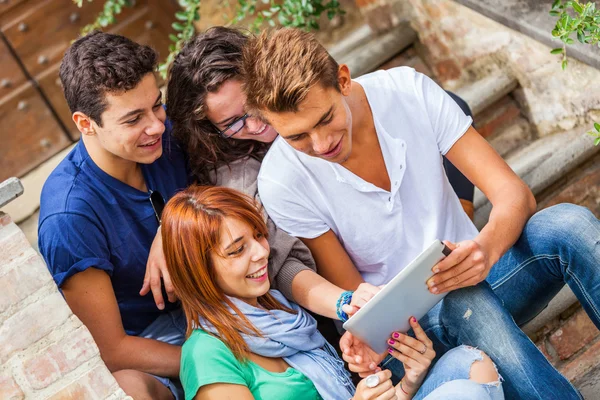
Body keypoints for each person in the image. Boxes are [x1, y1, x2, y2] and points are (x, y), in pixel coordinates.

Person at [164, 27, 583, 399]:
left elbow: (512, 193)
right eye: (296, 136)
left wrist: (483, 248)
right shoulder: (275, 179)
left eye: (326, 119)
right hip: (410, 328)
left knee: (566, 223)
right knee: (460, 297)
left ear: (343, 80)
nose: (321, 142)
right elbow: (345, 296)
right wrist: (363, 314)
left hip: (484, 274)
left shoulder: (404, 91)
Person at [161, 185, 505, 400]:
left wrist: (406, 385)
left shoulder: (282, 313)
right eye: (237, 250)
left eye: (258, 235)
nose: (261, 252)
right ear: (198, 272)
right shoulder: (205, 354)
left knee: (470, 364)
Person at [38, 31, 190, 399]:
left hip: (217, 293)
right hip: (150, 342)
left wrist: (175, 220)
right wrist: (214, 357)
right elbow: (112, 350)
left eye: (157, 104)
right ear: (86, 123)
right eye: (133, 118)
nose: (156, 125)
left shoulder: (165, 134)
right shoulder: (68, 217)